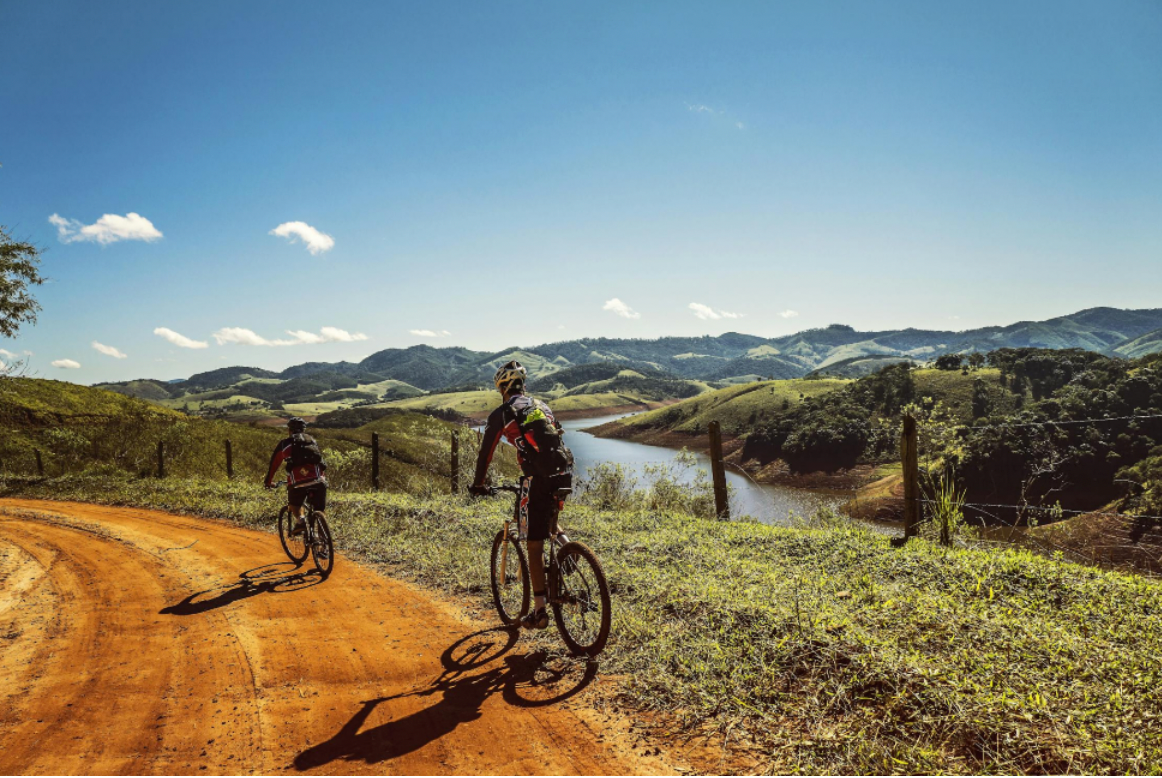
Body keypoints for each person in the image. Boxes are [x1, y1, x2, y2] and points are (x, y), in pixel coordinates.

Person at [470, 360, 574, 630]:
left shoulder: (503, 413)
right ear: (522, 386)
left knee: (534, 543)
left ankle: (539, 612)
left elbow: (486, 454)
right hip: (563, 473)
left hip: (536, 479)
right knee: (548, 519)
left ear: (502, 388)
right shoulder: (541, 405)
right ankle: (570, 549)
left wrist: (478, 484)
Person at [264, 417, 327, 537]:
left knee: (294, 504)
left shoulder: (284, 444)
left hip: (297, 482)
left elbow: (274, 464)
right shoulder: (312, 440)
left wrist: (268, 482)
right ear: (304, 429)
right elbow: (321, 462)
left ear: (289, 430)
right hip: (319, 480)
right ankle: (324, 546)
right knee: (320, 511)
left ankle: (300, 521)